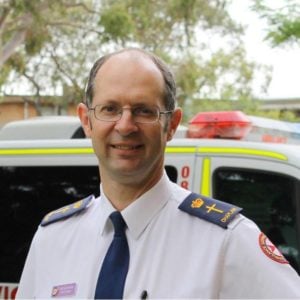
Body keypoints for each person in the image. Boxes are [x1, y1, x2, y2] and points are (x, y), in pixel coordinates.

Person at [17, 48, 300, 299]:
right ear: (86, 121)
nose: (125, 126)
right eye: (110, 109)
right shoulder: (52, 239)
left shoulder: (227, 242)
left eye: (143, 111)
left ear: (172, 124)